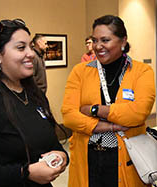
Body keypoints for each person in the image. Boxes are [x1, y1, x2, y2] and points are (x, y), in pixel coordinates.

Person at [61, 15, 155, 187]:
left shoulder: (142, 72)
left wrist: (94, 110)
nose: (98, 46)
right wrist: (110, 126)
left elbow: (138, 113)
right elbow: (69, 115)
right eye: (95, 40)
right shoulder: (80, 72)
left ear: (123, 41)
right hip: (88, 158)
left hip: (128, 157)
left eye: (105, 40)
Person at [0, 18, 68, 187]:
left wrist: (62, 156)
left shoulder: (36, 95)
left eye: (31, 47)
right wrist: (24, 173)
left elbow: (53, 144)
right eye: (21, 48)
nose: (31, 54)